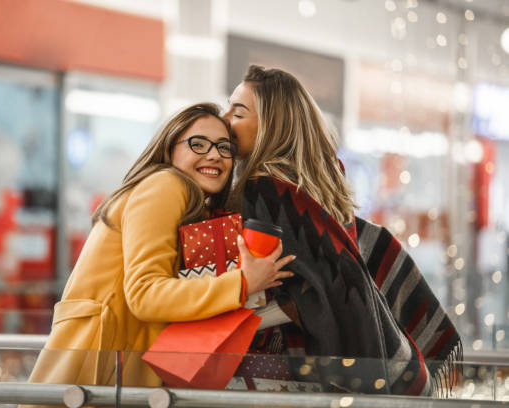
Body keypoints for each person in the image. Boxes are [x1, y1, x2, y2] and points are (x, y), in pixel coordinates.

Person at [24, 102, 294, 398]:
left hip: (103, 378)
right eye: (198, 144)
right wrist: (243, 283)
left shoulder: (187, 199)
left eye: (224, 147)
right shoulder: (165, 185)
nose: (214, 154)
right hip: (96, 381)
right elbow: (145, 293)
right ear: (169, 148)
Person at [223, 65, 461, 396]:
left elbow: (308, 293)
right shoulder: (317, 186)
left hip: (291, 375)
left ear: (271, 126)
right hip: (337, 375)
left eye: (238, 113)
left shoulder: (265, 191)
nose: (225, 120)